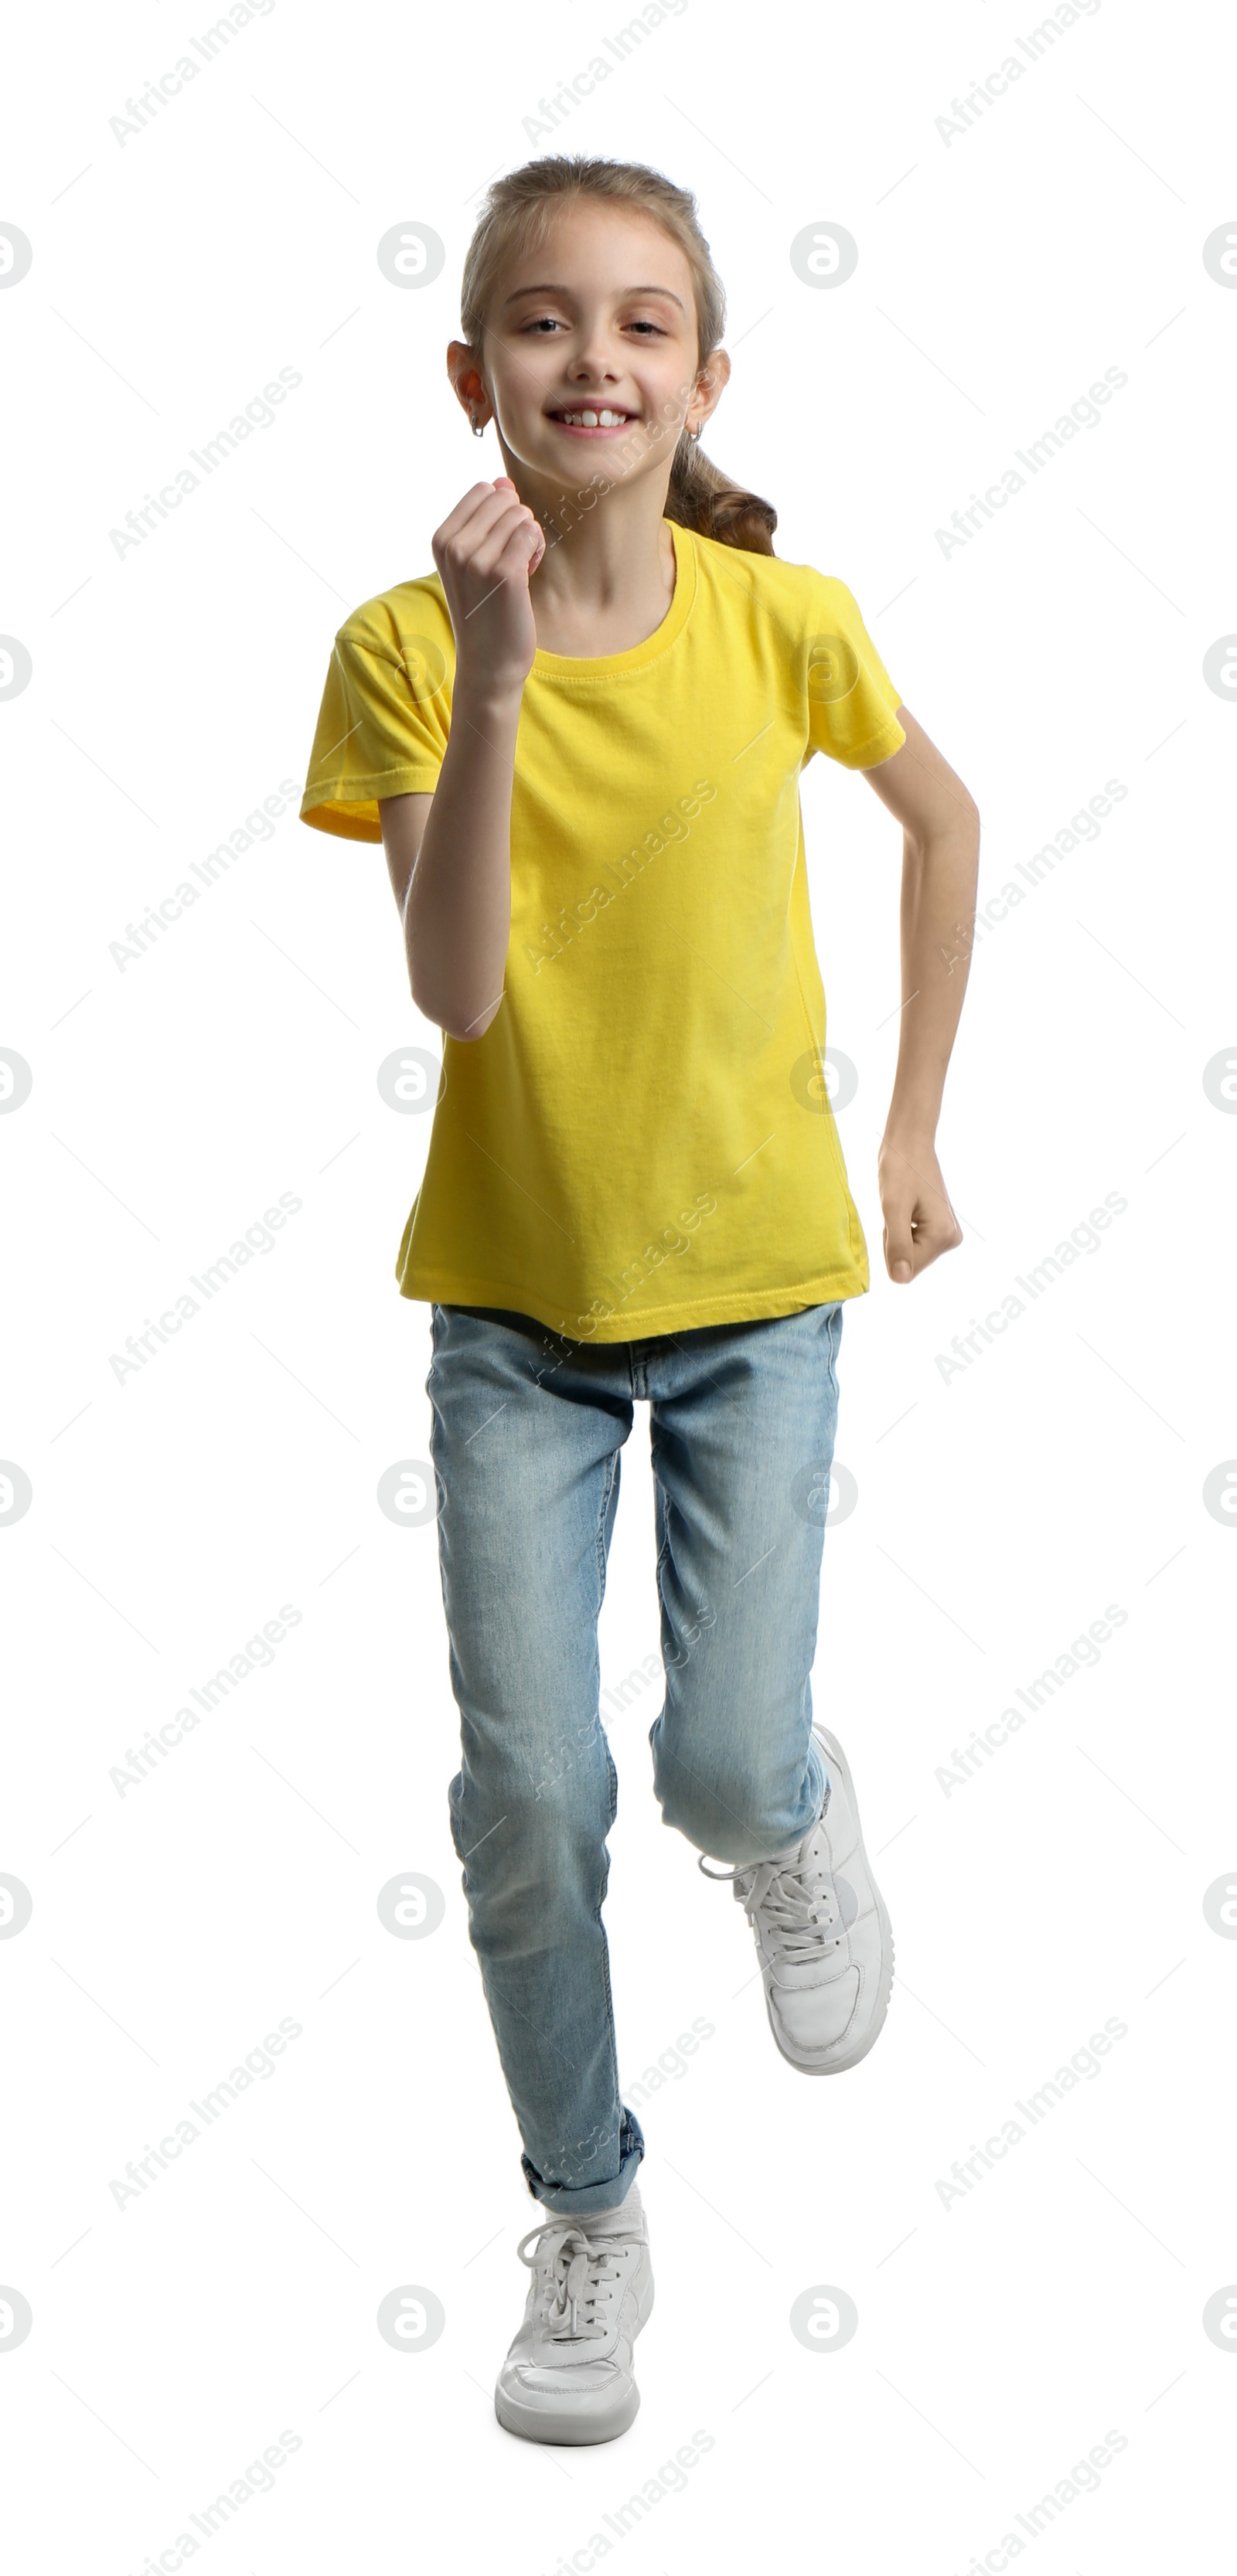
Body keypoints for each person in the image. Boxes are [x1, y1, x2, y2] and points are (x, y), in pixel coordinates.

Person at [300, 151, 979, 2447]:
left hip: (763, 1288)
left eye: (644, 324)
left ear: (704, 378)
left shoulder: (783, 622)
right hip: (514, 1316)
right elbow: (462, 991)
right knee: (526, 1788)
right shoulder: (403, 649)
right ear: (472, 370)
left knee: (705, 1759)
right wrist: (495, 681)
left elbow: (947, 821)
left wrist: (906, 1134)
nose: (597, 360)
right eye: (549, 323)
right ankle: (586, 2209)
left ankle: (786, 1811)